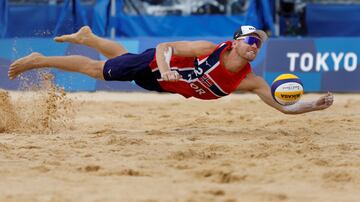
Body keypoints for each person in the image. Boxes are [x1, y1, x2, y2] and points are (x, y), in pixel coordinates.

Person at [8, 25, 333, 114]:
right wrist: (165, 68)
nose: (254, 45)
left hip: (163, 84)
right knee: (98, 70)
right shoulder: (210, 49)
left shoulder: (251, 81)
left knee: (121, 60)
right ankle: (40, 58)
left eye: (258, 43)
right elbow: (165, 49)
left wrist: (312, 106)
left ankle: (89, 36)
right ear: (234, 42)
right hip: (157, 64)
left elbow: (283, 105)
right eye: (249, 39)